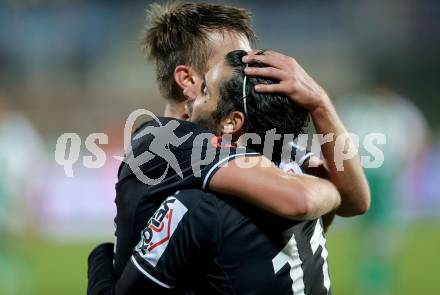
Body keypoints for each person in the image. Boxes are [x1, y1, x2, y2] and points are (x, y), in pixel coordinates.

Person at [88, 1, 370, 294]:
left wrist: (320, 103)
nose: (250, 69)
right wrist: (329, 188)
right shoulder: (164, 142)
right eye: (237, 59)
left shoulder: (251, 142)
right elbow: (305, 198)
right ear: (189, 80)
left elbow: (357, 201)